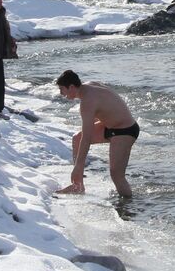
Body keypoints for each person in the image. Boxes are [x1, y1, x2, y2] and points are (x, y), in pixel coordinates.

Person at [54, 70, 137, 198]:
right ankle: (78, 186)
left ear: (71, 87)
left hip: (125, 130)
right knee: (77, 138)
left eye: (62, 89)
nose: (61, 94)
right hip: (111, 127)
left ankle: (128, 207)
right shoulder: (89, 85)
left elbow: (86, 139)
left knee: (116, 175)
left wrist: (77, 167)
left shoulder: (87, 102)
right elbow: (106, 104)